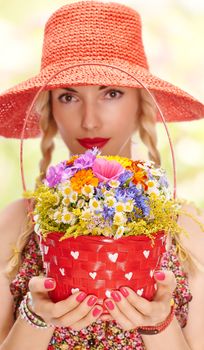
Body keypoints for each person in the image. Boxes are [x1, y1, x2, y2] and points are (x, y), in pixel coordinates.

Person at [0, 1, 204, 349]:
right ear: (49, 108)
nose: (90, 120)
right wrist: (36, 316)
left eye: (111, 93)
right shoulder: (19, 222)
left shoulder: (185, 227)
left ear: (142, 101)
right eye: (68, 96)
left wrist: (159, 322)